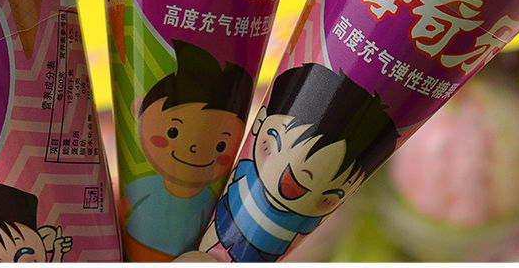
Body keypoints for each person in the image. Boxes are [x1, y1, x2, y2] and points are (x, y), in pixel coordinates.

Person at [199, 63, 400, 261]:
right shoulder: (246, 174)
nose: (303, 178)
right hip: (220, 228)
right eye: (272, 146)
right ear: (260, 122)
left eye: (330, 195)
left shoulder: (308, 221)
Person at [121, 39, 253, 260]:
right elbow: (125, 206)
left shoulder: (205, 200)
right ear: (139, 110)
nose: (195, 148)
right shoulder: (149, 185)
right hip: (135, 243)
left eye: (220, 145)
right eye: (173, 132)